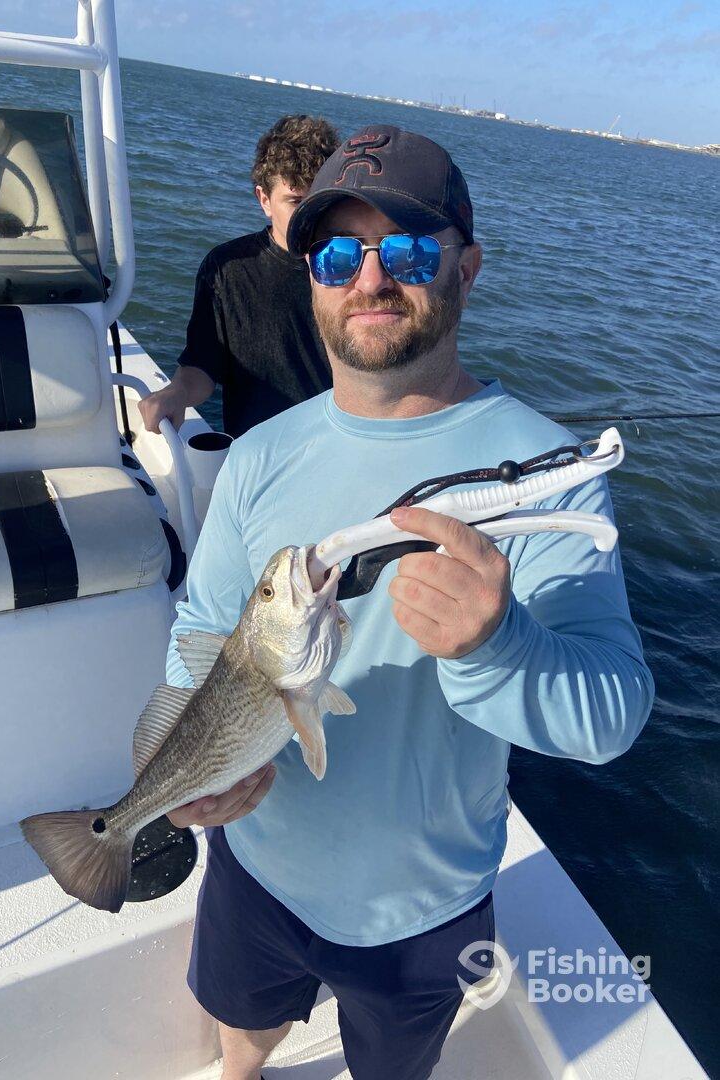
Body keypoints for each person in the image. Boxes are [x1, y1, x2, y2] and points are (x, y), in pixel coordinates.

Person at [163, 125, 654, 1080]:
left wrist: (500, 643)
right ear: (309, 272)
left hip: (422, 906)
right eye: (339, 254)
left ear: (468, 268)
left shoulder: (546, 478)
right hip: (256, 863)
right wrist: (200, 756)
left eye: (413, 251)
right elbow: (200, 630)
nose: (370, 279)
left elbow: (613, 716)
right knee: (241, 1024)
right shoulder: (260, 453)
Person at [138, 114, 339, 438]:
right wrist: (177, 392)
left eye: (319, 202)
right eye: (296, 201)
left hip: (339, 449)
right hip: (256, 454)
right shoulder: (226, 270)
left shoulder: (357, 269)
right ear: (264, 199)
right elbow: (202, 368)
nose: (310, 215)